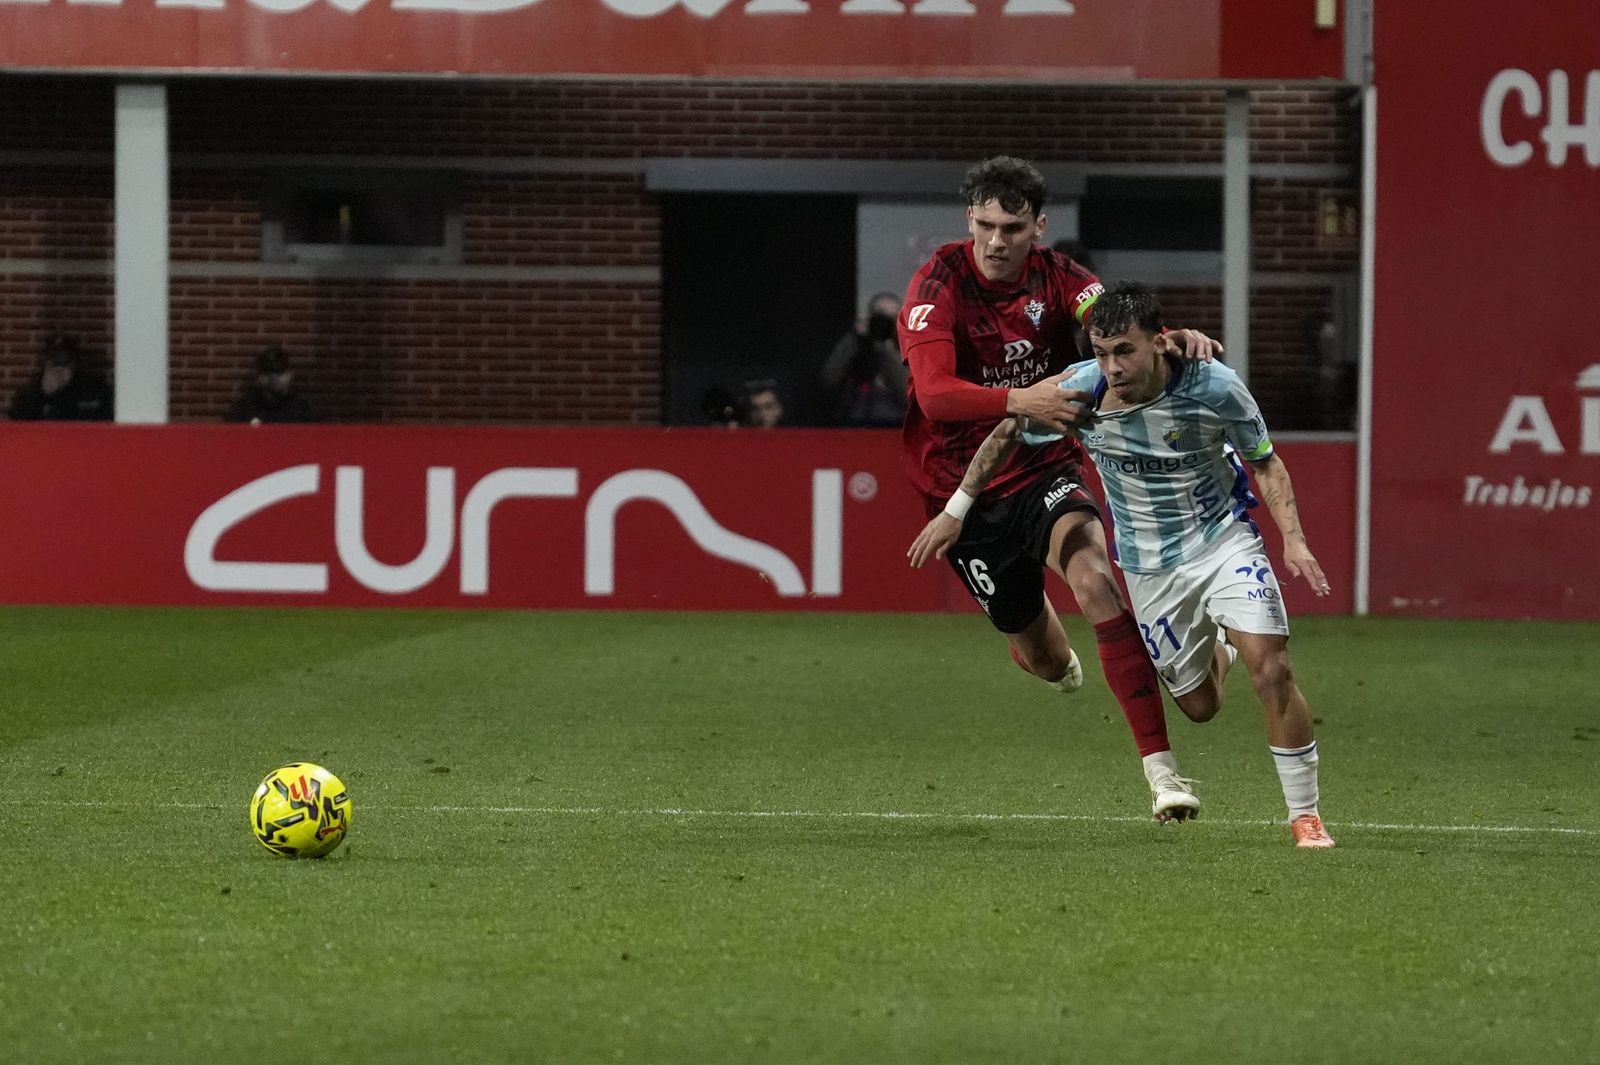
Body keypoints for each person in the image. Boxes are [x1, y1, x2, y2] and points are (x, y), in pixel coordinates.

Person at [911, 281, 1335, 848]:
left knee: (1273, 667)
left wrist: (1294, 540)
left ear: (1160, 343)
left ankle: (1304, 816)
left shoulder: (1217, 388)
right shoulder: (1082, 392)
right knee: (1200, 705)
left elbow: (1266, 462)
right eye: (1101, 352)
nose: (1112, 366)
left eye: (1125, 351)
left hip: (1222, 542)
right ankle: (1224, 646)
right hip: (1150, 568)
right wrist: (956, 510)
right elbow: (1008, 431)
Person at [897, 155, 1222, 823]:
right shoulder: (938, 284)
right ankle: (1047, 655)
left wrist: (1168, 339)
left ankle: (1165, 778)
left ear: (1037, 226)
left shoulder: (1065, 281)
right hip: (959, 489)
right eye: (984, 225)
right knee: (1045, 658)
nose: (996, 242)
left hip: (1043, 467)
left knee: (1096, 578)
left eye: (1012, 228)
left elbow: (1116, 323)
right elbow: (933, 397)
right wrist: (1026, 396)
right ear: (969, 221)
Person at [821, 292, 909, 427]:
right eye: (881, 314)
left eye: (894, 314)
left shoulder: (912, 348)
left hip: (898, 424)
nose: (887, 320)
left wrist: (886, 348)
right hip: (855, 423)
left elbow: (907, 392)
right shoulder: (856, 345)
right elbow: (829, 378)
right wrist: (853, 338)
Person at [8, 333, 113, 421]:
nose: (60, 367)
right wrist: (43, 394)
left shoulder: (95, 390)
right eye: (55, 361)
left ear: (75, 362)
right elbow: (18, 426)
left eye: (65, 361)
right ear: (46, 362)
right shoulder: (29, 393)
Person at [226, 345, 316, 424]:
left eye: (279, 372)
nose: (273, 377)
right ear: (258, 376)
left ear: (290, 375)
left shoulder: (300, 407)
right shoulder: (245, 407)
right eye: (267, 372)